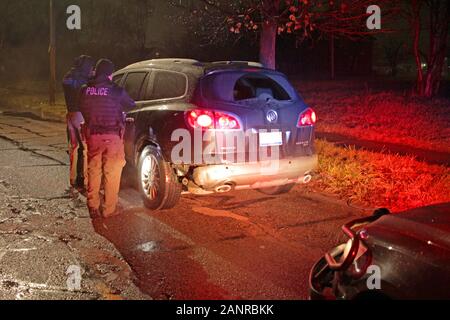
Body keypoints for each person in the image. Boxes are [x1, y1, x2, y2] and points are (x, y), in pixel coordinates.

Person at [79, 59, 135, 218]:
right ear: (110, 74)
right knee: (112, 172)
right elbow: (131, 104)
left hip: (93, 136)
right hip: (113, 136)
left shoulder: (85, 90)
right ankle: (109, 209)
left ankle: (93, 206)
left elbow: (83, 108)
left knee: (94, 170)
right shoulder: (116, 90)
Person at [62, 55, 95, 191]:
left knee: (73, 147)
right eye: (90, 67)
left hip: (70, 114)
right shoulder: (82, 80)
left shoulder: (68, 77)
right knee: (87, 147)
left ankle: (72, 178)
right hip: (80, 115)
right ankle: (87, 181)